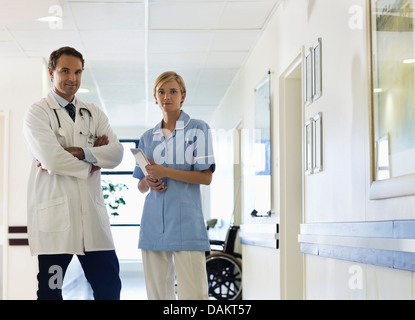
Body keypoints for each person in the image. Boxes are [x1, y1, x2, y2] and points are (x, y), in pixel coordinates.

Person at [23, 46, 124, 300]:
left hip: (93, 224)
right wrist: (94, 161)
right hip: (57, 223)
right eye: (65, 71)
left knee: (109, 289)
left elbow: (117, 154)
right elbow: (52, 160)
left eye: (78, 72)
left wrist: (81, 152)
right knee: (50, 292)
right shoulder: (37, 113)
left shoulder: (93, 112)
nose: (73, 78)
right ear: (51, 72)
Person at [133, 71, 215, 300]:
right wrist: (148, 180)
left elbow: (206, 177)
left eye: (172, 91)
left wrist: (165, 171)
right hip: (153, 224)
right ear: (155, 97)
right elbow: (140, 187)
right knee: (158, 296)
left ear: (183, 96)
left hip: (186, 224)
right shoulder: (147, 137)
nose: (166, 96)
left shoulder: (199, 129)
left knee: (195, 296)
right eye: (161, 91)